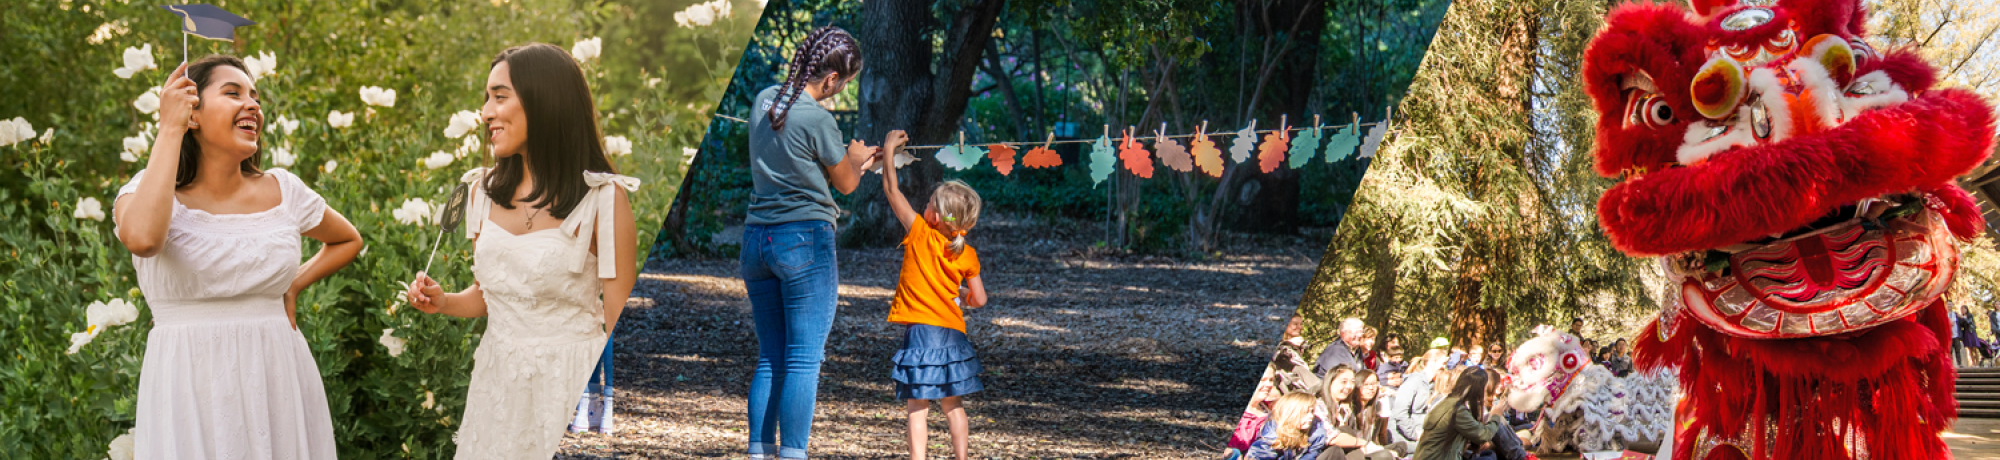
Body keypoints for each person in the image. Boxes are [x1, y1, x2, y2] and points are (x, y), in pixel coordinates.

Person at [404, 43, 642, 460]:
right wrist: (443, 302)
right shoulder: (481, 191)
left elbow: (618, 323)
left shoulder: (603, 200)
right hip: (497, 389)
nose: (486, 113)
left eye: (499, 96)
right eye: (486, 99)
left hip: (568, 385)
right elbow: (490, 295)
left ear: (544, 100)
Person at [117, 56, 362, 459]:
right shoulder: (146, 191)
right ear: (191, 112)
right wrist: (168, 128)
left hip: (276, 372)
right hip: (188, 379)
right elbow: (143, 239)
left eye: (256, 98)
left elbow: (347, 239)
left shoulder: (284, 189)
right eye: (233, 94)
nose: (253, 106)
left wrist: (294, 284)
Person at [728, 25, 881, 460]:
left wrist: (846, 159)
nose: (840, 91)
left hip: (757, 239)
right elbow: (847, 185)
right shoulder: (817, 118)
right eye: (844, 84)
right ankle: (793, 454)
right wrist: (857, 159)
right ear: (831, 79)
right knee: (802, 358)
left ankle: (759, 452)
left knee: (770, 356)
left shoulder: (763, 99)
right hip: (804, 241)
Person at [878, 136, 989, 460]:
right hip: (953, 335)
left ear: (935, 217)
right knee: (953, 405)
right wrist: (963, 296)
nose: (923, 206)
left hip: (921, 335)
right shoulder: (966, 253)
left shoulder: (919, 233)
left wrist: (888, 152)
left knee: (918, 408)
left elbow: (891, 190)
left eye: (927, 203)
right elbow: (980, 300)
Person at [1412, 368, 1507, 460]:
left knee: (1489, 455)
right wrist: (1495, 416)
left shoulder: (1448, 402)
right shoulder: (1456, 411)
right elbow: (1483, 435)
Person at [1389, 349, 1450, 448]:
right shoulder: (1413, 381)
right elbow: (1400, 412)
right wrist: (1414, 434)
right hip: (1405, 438)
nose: (1444, 367)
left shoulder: (1432, 385)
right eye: (1442, 363)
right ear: (1431, 363)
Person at [1247, 392, 1331, 460]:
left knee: (1334, 451)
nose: (1311, 416)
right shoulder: (1273, 433)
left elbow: (1313, 453)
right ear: (1291, 414)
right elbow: (1259, 455)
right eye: (1305, 412)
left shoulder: (1315, 429)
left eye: (1312, 411)